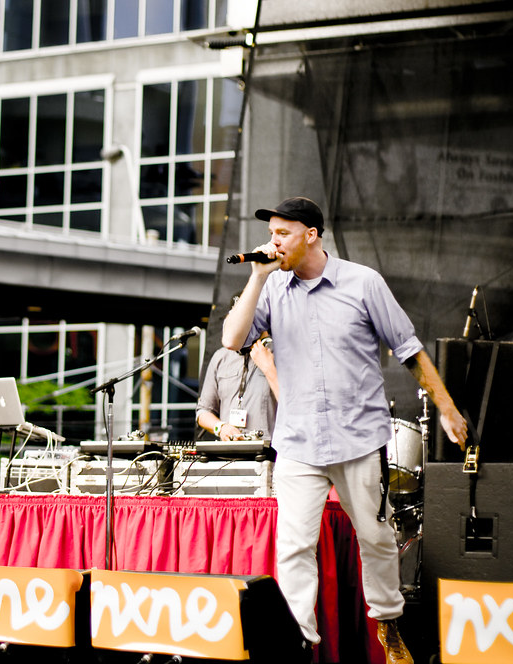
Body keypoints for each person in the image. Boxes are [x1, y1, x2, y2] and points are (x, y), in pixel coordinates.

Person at [221, 197, 467, 664]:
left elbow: (409, 349)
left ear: (311, 234)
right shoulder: (272, 289)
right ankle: (299, 645)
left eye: (282, 233)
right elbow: (233, 339)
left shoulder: (363, 283)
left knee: (375, 538)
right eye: (271, 232)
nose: (273, 242)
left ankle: (389, 624)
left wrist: (447, 408)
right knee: (293, 544)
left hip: (358, 438)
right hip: (297, 442)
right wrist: (256, 277)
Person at [196, 327, 279, 444]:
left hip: (269, 453)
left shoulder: (279, 355)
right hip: (229, 453)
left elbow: (293, 406)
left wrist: (269, 367)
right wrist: (221, 428)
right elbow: (203, 412)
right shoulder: (220, 357)